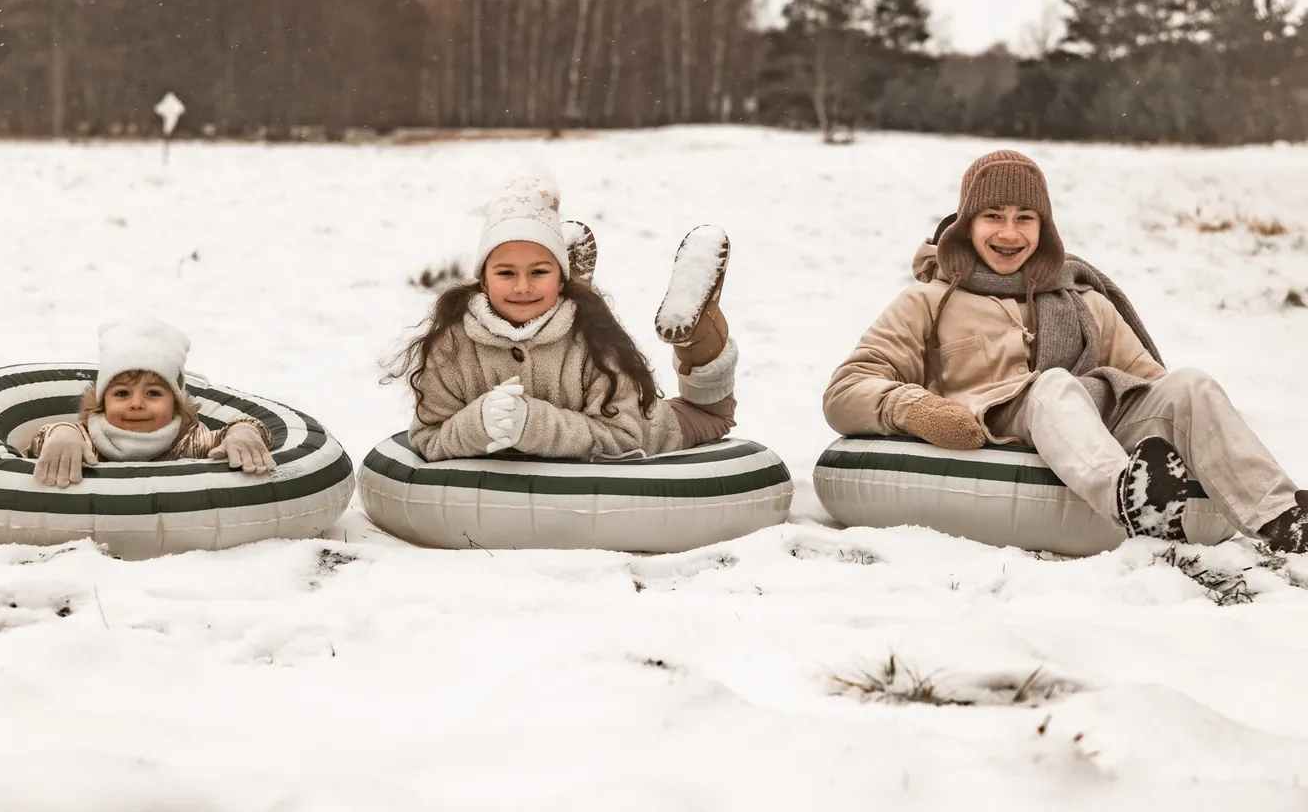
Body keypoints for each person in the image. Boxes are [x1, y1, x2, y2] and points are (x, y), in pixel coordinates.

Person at [823, 149, 1306, 552]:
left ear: (1043, 226)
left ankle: (1284, 521)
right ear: (967, 225)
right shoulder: (928, 301)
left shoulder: (1082, 299)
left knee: (1190, 383)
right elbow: (846, 390)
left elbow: (1148, 384)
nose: (1009, 234)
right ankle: (1130, 501)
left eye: (1024, 219)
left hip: (1091, 416)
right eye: (993, 217)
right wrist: (915, 407)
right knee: (1052, 386)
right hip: (995, 426)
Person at [391, 171, 740, 463]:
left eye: (539, 272)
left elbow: (625, 437)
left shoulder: (594, 341)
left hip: (657, 426)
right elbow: (429, 438)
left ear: (559, 278)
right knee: (564, 306)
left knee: (712, 413)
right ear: (482, 280)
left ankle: (701, 331)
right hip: (566, 321)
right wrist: (477, 425)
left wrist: (533, 424)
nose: (523, 287)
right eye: (506, 274)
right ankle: (574, 286)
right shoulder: (451, 345)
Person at [29, 315, 275, 487]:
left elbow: (235, 430)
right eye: (122, 394)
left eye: (153, 393)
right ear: (103, 403)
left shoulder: (191, 441)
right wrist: (61, 436)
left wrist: (244, 432)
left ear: (175, 402)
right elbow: (46, 438)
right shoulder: (88, 439)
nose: (136, 404)